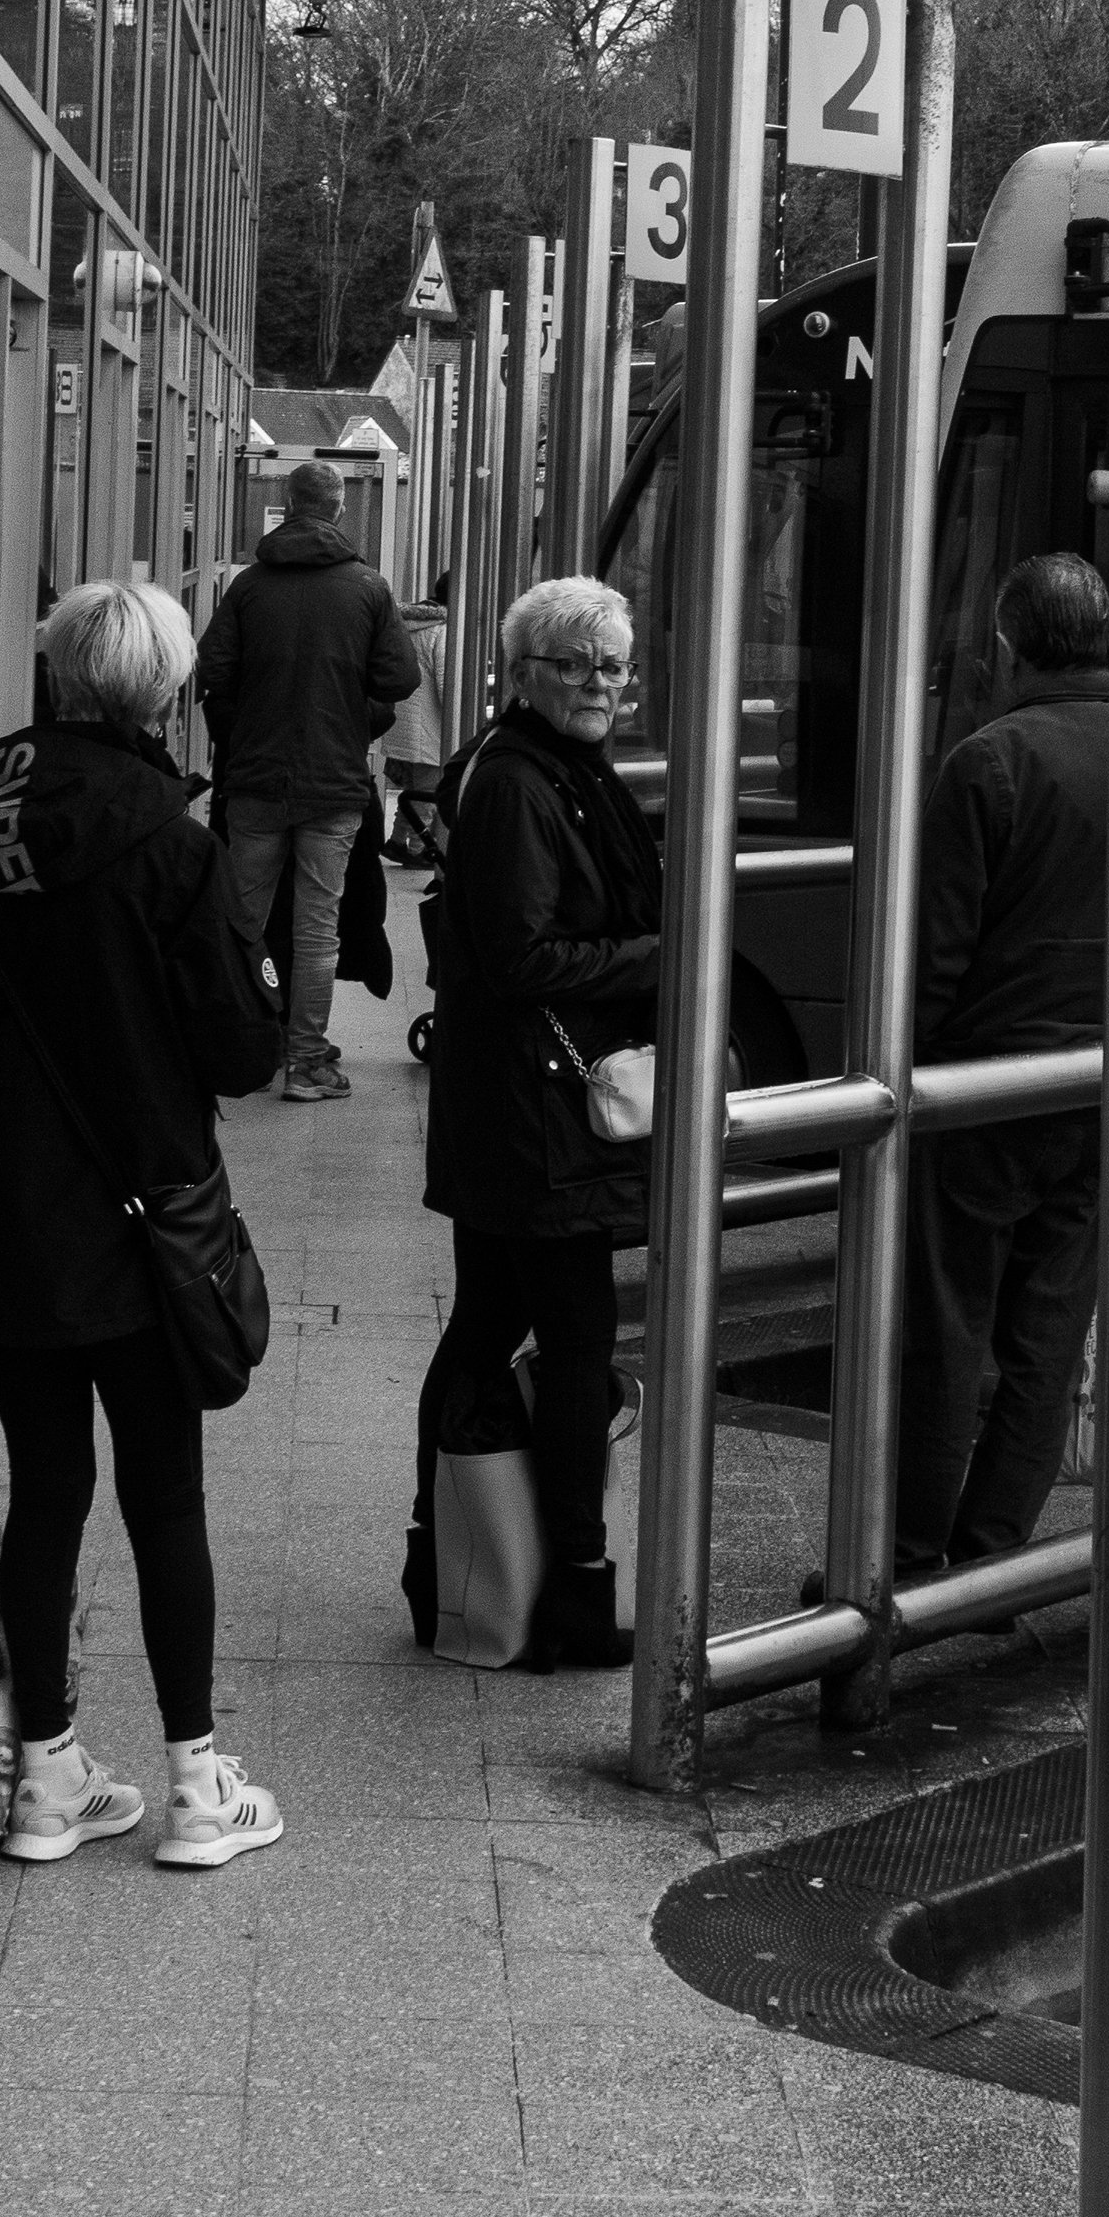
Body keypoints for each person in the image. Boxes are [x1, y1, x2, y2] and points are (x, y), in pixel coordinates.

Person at [0, 579, 288, 1872]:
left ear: (59, 681)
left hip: (15, 1210)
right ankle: (193, 1787)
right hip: (147, 1212)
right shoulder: (172, 843)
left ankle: (47, 1780)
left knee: (47, 1489)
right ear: (164, 693)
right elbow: (237, 1049)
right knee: (163, 1493)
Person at [409, 575, 660, 1667]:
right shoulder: (522, 783)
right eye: (577, 663)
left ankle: (447, 1558)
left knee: (488, 1325)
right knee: (573, 1339)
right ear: (525, 672)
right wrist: (668, 951)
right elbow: (519, 957)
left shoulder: (564, 770)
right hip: (532, 1115)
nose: (601, 683)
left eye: (614, 664)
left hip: (523, 1109)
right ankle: (569, 1583)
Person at [893, 549, 1109, 1581]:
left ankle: (910, 1543)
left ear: (1006, 645)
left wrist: (904, 1076)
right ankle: (992, 1554)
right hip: (1107, 1087)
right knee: (1047, 1331)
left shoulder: (987, 761)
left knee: (947, 1323)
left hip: (983, 1089)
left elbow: (930, 954)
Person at [197, 459, 419, 1102]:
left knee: (244, 919)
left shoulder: (247, 589)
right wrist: (352, 712)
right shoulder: (369, 589)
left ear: (288, 506)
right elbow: (398, 681)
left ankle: (241, 1044)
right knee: (319, 924)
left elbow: (213, 668)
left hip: (255, 783)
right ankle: (306, 1062)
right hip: (333, 784)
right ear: (339, 508)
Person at [383, 572, 449, 862]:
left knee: (414, 790)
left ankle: (397, 842)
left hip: (403, 722)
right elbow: (448, 685)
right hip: (429, 726)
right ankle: (417, 850)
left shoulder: (407, 624)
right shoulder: (442, 630)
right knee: (428, 793)